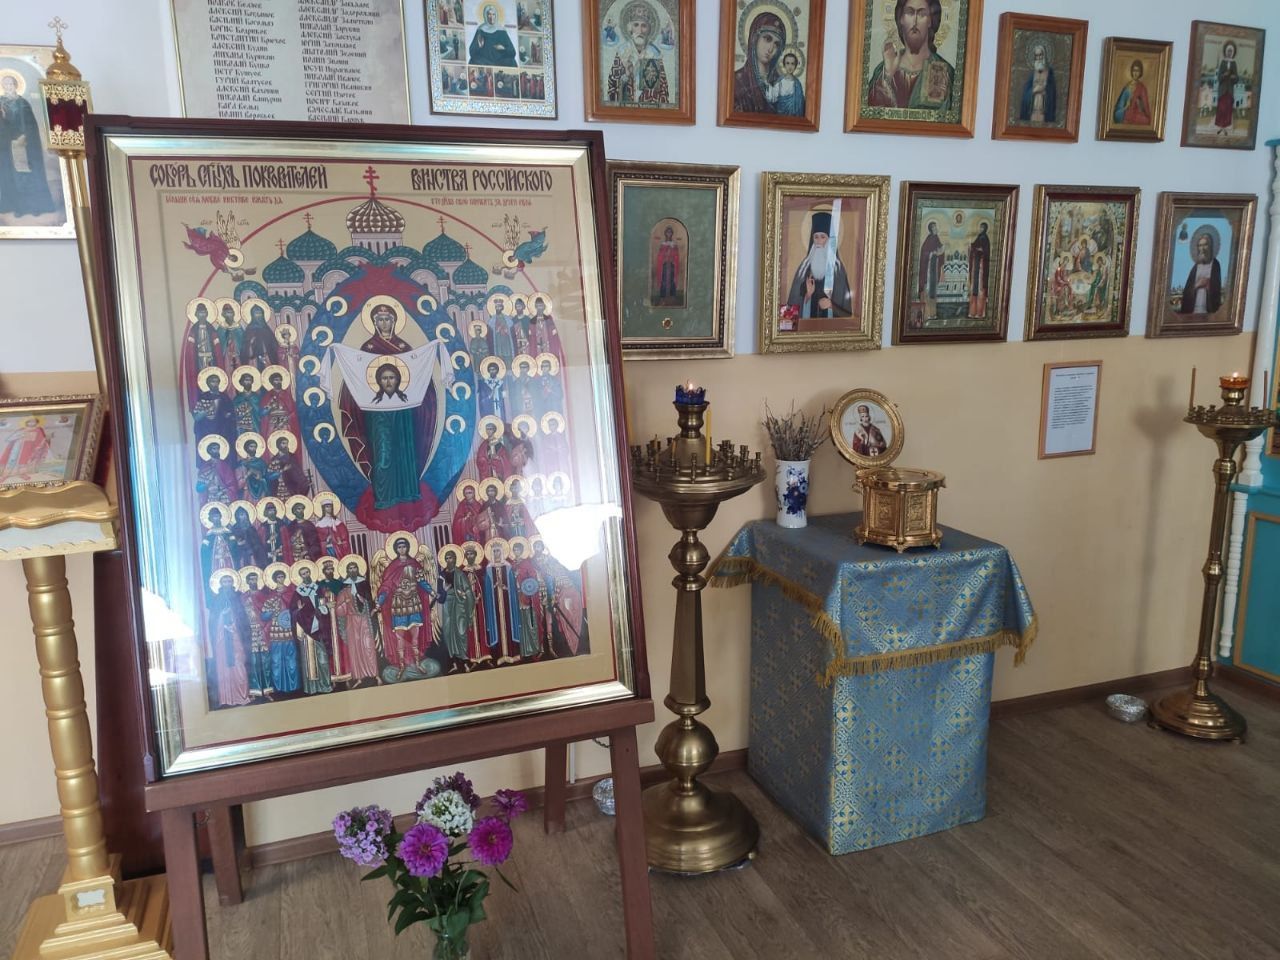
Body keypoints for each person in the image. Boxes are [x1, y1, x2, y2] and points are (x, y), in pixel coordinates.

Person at [867, 0, 953, 111]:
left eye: (922, 14)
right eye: (910, 12)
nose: (915, 21)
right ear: (901, 19)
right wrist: (887, 76)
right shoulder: (883, 71)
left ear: (930, 21)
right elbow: (870, 110)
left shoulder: (944, 71)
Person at [0, 71, 56, 218]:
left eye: (11, 83)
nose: (8, 86)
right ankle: (15, 206)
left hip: (24, 143)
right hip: (6, 145)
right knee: (11, 175)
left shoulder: (23, 103)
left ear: (16, 85)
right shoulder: (0, 102)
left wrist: (24, 136)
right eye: (5, 84)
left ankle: (34, 206)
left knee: (28, 174)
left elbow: (30, 123)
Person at [376, 537, 433, 678]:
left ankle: (417, 663)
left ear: (408, 547)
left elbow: (421, 581)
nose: (402, 549)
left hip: (413, 603)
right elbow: (386, 587)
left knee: (415, 637)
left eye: (404, 546)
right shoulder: (392, 567)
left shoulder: (414, 564)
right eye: (399, 547)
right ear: (396, 549)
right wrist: (379, 602)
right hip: (399, 605)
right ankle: (401, 666)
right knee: (400, 639)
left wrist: (432, 592)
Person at [785, 210, 853, 320]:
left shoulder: (837, 269)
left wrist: (831, 305)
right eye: (816, 237)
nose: (818, 241)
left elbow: (847, 312)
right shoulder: (804, 268)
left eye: (822, 237)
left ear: (829, 240)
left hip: (831, 328)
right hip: (807, 326)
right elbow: (792, 309)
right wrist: (807, 296)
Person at [334, 559, 381, 687]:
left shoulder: (364, 584)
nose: (352, 570)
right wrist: (345, 603)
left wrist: (364, 600)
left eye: (354, 568)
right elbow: (338, 610)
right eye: (350, 568)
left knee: (368, 646)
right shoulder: (344, 589)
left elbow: (370, 600)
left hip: (365, 620)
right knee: (355, 649)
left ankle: (375, 674)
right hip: (351, 622)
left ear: (358, 569)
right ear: (347, 571)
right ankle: (358, 677)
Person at [208, 573, 252, 708]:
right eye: (224, 581)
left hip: (237, 636)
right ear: (221, 584)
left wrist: (234, 624)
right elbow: (213, 620)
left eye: (229, 581)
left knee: (239, 664)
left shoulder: (238, 597)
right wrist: (222, 616)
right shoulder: (216, 600)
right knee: (224, 666)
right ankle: (227, 698)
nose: (227, 584)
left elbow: (243, 618)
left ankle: (242, 695)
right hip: (222, 638)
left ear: (233, 583)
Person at [291, 564, 333, 695]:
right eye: (303, 574)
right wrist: (299, 611)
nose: (306, 575)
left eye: (307, 572)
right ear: (300, 576)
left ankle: (325, 684)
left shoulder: (318, 588)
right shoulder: (298, 592)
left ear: (310, 573)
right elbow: (293, 611)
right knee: (309, 660)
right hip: (306, 630)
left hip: (320, 628)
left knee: (323, 659)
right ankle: (312, 688)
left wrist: (325, 608)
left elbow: (323, 604)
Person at [733, 11, 786, 114]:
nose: (770, 49)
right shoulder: (736, 82)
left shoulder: (782, 84)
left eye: (776, 44)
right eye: (767, 39)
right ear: (755, 39)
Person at [260, 567, 301, 693]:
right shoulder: (271, 596)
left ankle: (293, 687)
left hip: (289, 631)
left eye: (282, 576)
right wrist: (271, 611)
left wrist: (296, 611)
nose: (280, 579)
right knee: (277, 661)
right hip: (276, 633)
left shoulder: (292, 594)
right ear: (274, 579)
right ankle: (279, 688)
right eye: (278, 577)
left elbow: (297, 610)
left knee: (291, 660)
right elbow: (263, 616)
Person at [1179, 231, 1223, 315]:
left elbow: (1216, 290)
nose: (1202, 249)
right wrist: (1197, 285)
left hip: (1207, 311)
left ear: (1210, 246)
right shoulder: (1195, 267)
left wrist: (1209, 284)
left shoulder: (1215, 265)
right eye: (1200, 245)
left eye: (1205, 245)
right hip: (1193, 311)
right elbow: (1187, 292)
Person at [1019, 43, 1056, 123]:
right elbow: (1025, 94)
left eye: (1040, 55)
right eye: (1036, 56)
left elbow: (1052, 93)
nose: (1039, 58)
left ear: (1044, 55)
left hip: (1044, 111)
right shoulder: (1032, 74)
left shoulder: (1049, 73)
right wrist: (1033, 90)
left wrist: (1045, 89)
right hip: (1032, 110)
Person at [765, 51, 806, 116]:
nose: (790, 66)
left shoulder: (797, 84)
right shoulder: (780, 81)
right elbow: (773, 97)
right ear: (784, 65)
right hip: (781, 114)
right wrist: (767, 86)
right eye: (787, 63)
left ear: (795, 66)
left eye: (792, 64)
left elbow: (800, 102)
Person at [918, 220, 944, 320]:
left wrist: (941, 251)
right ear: (931, 229)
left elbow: (940, 251)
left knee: (933, 292)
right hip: (928, 271)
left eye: (936, 227)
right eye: (934, 227)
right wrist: (931, 253)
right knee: (927, 291)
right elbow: (924, 252)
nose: (936, 228)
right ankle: (926, 314)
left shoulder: (937, 238)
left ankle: (933, 314)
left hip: (934, 269)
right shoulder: (928, 239)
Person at [1113, 59, 1151, 126]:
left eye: (1137, 71)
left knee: (1146, 120)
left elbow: (1146, 109)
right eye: (1134, 70)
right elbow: (1118, 111)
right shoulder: (1127, 88)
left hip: (1137, 115)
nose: (1135, 73)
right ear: (1132, 71)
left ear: (1140, 72)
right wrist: (1125, 107)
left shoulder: (1142, 88)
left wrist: (1140, 105)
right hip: (1127, 113)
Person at [653, 225, 682, 306]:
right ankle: (662, 298)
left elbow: (676, 256)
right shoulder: (663, 244)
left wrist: (673, 257)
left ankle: (672, 297)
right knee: (664, 280)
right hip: (665, 265)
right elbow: (660, 256)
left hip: (672, 265)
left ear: (672, 234)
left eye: (670, 232)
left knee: (672, 280)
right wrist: (665, 256)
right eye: (667, 232)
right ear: (665, 233)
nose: (669, 234)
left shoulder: (674, 245)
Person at [967, 222, 990, 319]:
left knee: (980, 289)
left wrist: (978, 250)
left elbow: (985, 251)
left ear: (985, 229)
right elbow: (974, 246)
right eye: (980, 227)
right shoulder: (979, 237)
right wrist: (971, 247)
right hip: (976, 266)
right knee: (974, 289)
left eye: (982, 228)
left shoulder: (985, 238)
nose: (980, 229)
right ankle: (973, 312)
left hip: (981, 267)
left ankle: (980, 313)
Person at [1215, 42, 1238, 136]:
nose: (1229, 53)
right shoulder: (1223, 62)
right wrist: (1224, 75)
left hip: (1230, 89)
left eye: (1231, 51)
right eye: (1228, 51)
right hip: (1223, 89)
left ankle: (1225, 127)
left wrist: (1234, 77)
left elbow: (1237, 77)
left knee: (1228, 108)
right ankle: (1220, 126)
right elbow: (1219, 77)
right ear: (1225, 51)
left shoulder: (1234, 63)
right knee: (1221, 108)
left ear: (1233, 52)